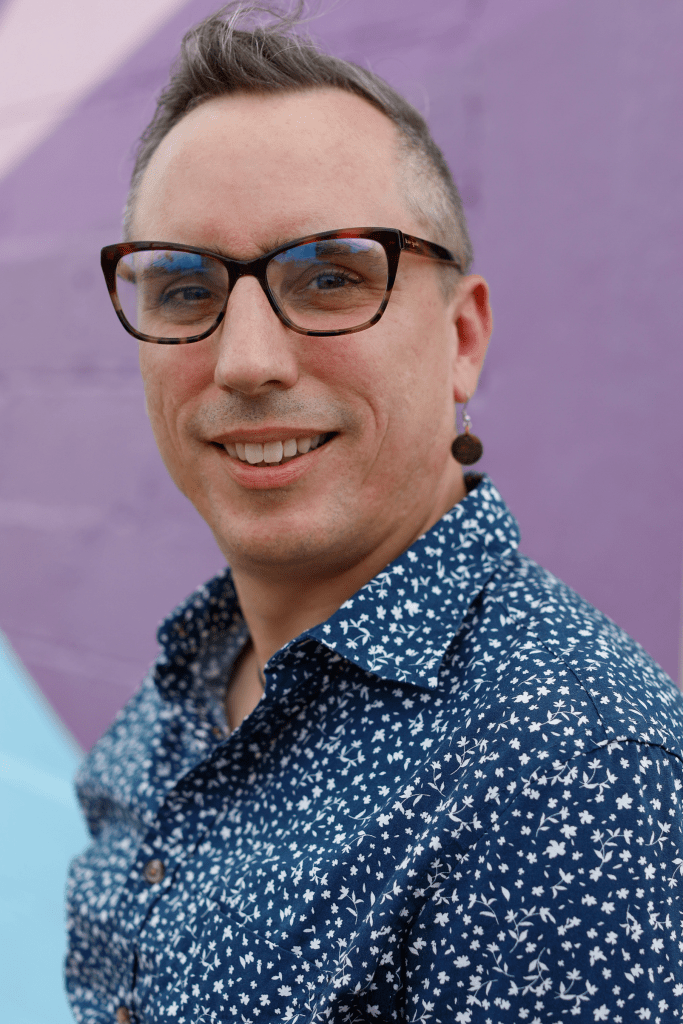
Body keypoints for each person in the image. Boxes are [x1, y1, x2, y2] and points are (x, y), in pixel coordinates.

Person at [66, 3, 683, 1021]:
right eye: (185, 288)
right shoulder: (190, 678)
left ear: (463, 338)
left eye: (329, 276)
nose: (247, 361)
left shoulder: (569, 770)